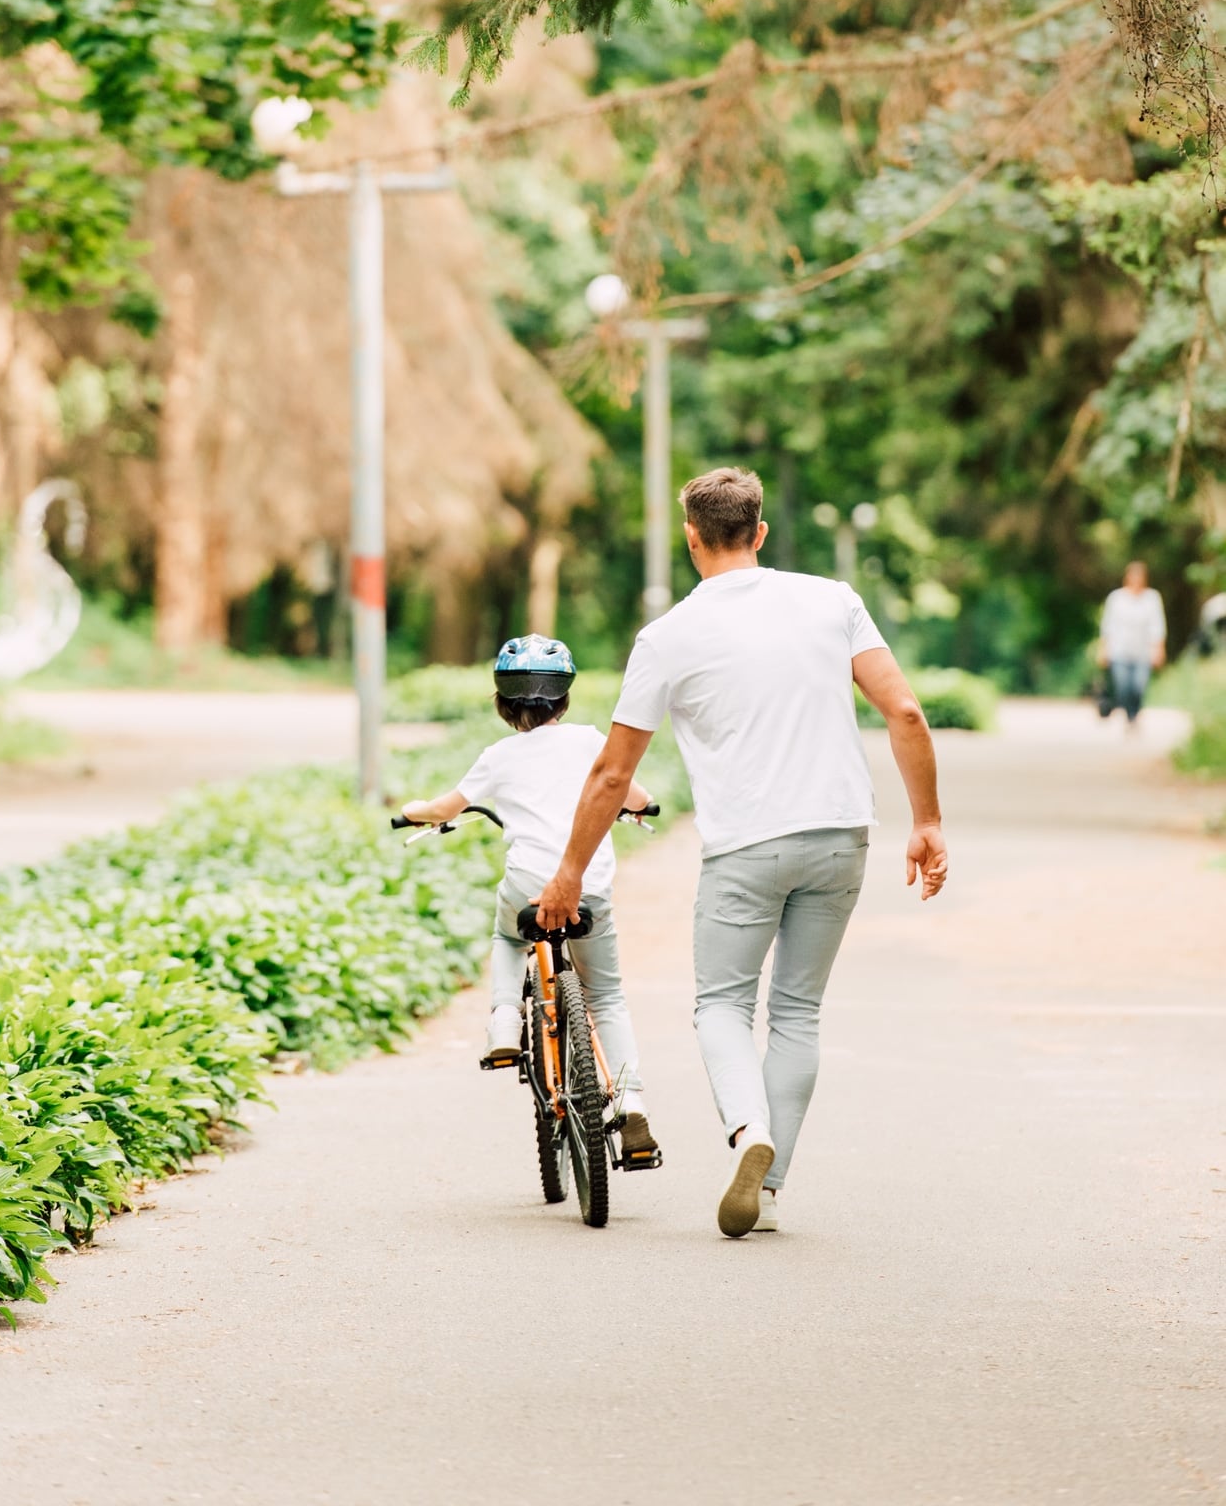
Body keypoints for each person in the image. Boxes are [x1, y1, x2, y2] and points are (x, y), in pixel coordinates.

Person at [535, 467, 947, 1239]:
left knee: (723, 1004)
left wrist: (566, 873)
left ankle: (745, 1131)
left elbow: (611, 774)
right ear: (758, 533)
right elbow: (906, 711)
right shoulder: (834, 600)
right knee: (796, 1010)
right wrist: (925, 821)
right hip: (839, 837)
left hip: (744, 848)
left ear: (692, 540)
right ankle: (774, 1178)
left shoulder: (666, 638)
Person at [400, 632, 662, 1167]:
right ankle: (630, 1096)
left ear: (502, 703)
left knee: (506, 934)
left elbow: (446, 805)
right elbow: (634, 795)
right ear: (564, 698)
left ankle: (502, 1021)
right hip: (588, 884)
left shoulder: (498, 756)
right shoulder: (592, 742)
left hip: (527, 885)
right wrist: (644, 807)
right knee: (606, 996)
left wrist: (415, 811)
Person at [1097, 561, 1167, 725]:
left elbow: (1157, 626)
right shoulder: (1116, 598)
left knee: (1139, 687)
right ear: (1127, 578)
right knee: (1123, 687)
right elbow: (1108, 626)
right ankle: (1130, 716)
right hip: (1119, 651)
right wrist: (1103, 649)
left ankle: (1134, 713)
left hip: (1143, 652)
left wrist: (1159, 649)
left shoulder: (1152, 598)